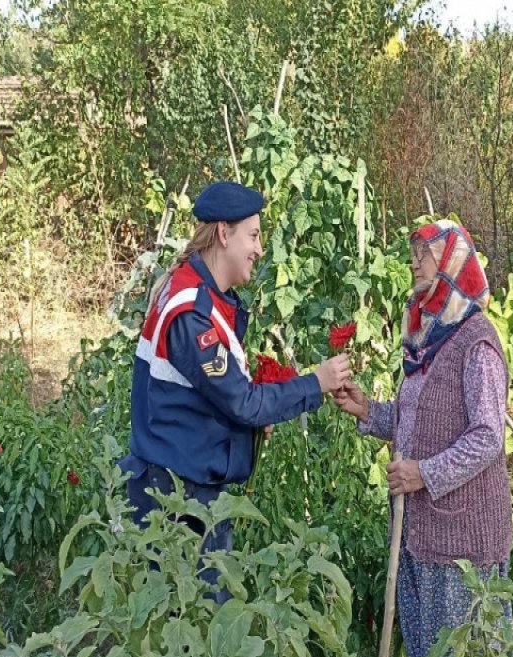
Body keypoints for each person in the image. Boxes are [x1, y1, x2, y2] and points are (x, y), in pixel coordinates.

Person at [119, 180, 352, 602]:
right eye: (254, 235)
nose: (259, 250)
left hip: (180, 486)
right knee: (200, 638)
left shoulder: (196, 290)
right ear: (224, 234)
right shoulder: (193, 313)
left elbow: (204, 397)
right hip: (177, 502)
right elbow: (241, 402)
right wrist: (314, 384)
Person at [333, 219, 512, 657]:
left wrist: (423, 474)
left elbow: (486, 439)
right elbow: (418, 422)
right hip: (419, 534)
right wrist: (370, 412)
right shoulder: (428, 339)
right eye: (413, 252)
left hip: (462, 546)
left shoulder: (476, 343)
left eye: (424, 253)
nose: (414, 261)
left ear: (453, 264)